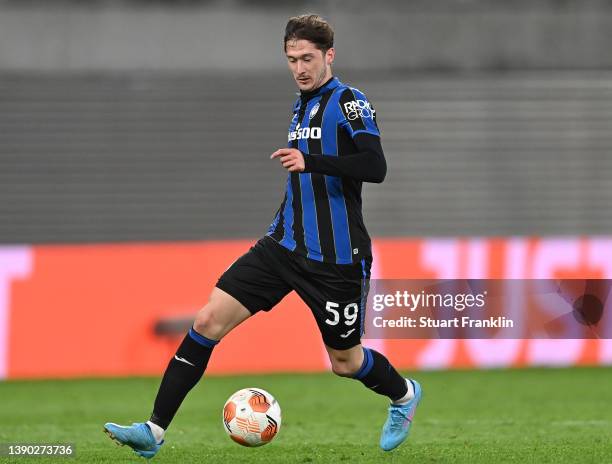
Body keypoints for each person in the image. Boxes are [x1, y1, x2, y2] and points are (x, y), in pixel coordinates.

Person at [104, 14, 421, 458]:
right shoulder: (300, 104)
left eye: (308, 58)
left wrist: (311, 161)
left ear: (329, 55)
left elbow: (376, 166)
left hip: (336, 257)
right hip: (282, 246)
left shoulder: (350, 102)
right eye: (292, 59)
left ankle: (404, 395)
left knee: (345, 362)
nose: (300, 68)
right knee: (206, 321)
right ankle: (153, 431)